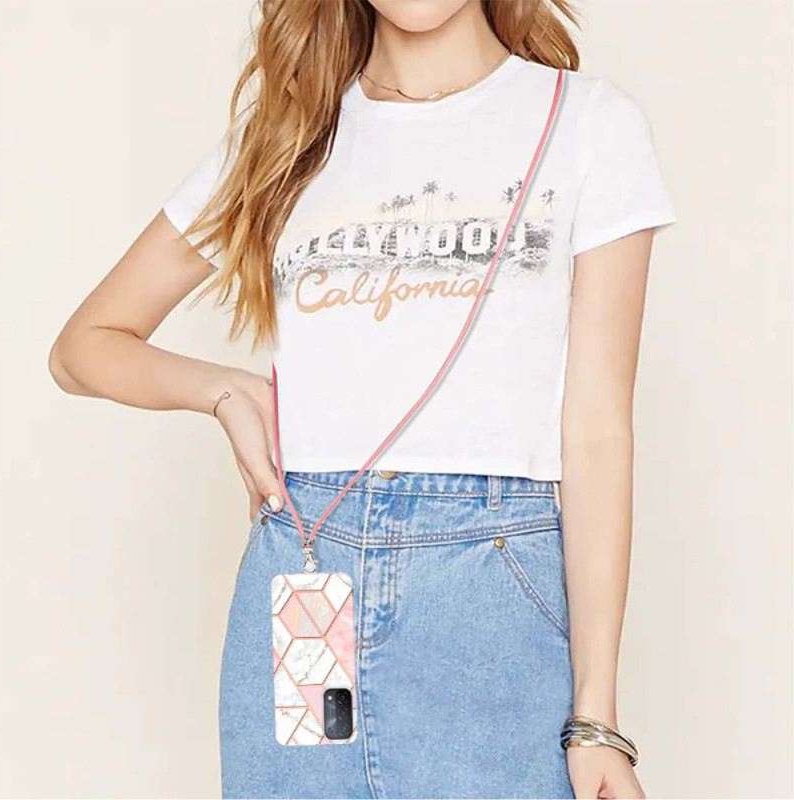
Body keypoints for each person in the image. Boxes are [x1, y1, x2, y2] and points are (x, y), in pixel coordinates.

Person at [48, 0, 676, 797]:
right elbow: (82, 348)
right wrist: (223, 391)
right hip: (307, 562)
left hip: (489, 593)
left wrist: (595, 717)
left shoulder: (587, 124)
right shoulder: (287, 141)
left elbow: (596, 431)